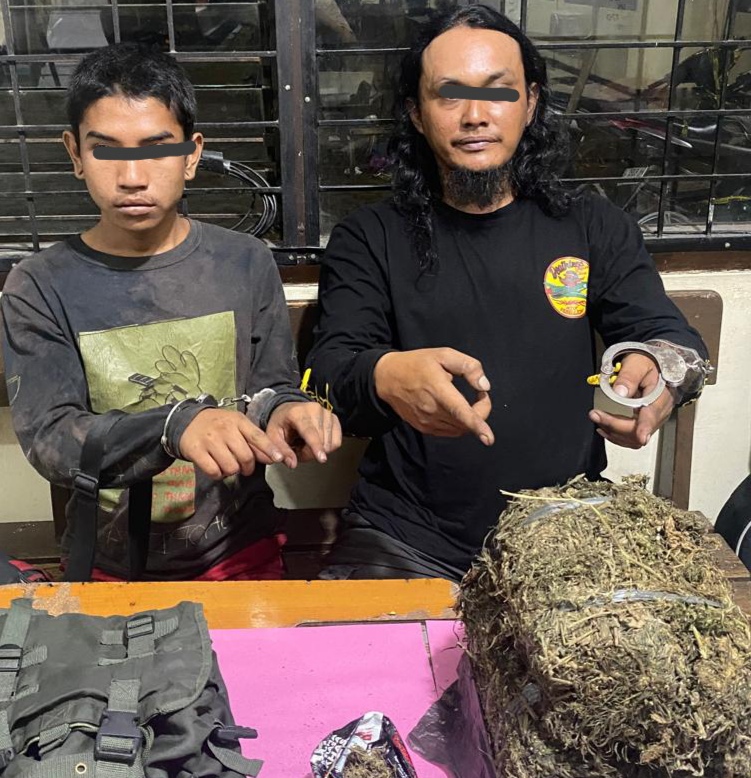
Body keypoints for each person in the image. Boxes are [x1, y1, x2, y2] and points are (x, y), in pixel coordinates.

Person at [306, 5, 710, 582]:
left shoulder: (592, 225)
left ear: (531, 103)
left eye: (498, 92)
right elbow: (327, 370)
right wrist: (384, 375)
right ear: (417, 113)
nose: (475, 116)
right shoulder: (370, 237)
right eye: (449, 94)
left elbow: (674, 340)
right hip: (404, 539)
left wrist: (662, 368)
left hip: (560, 535)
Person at [1, 43, 341, 581]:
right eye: (105, 151)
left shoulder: (244, 262)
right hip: (109, 566)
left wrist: (285, 411)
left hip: (239, 551)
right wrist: (174, 426)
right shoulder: (40, 285)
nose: (132, 177)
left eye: (157, 149)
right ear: (75, 154)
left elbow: (269, 387)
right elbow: (51, 439)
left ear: (191, 154)